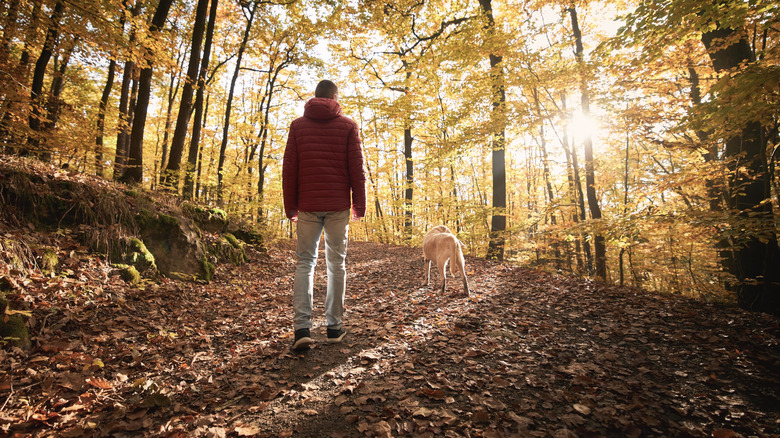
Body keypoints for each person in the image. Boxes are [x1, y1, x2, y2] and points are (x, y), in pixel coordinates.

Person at [282, 80, 366, 351]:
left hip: (307, 204)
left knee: (305, 263)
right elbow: (357, 169)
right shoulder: (348, 126)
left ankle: (302, 329)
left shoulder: (298, 126)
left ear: (315, 97)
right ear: (335, 98)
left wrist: (290, 206)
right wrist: (359, 205)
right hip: (338, 205)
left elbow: (289, 169)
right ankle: (334, 328)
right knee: (336, 264)